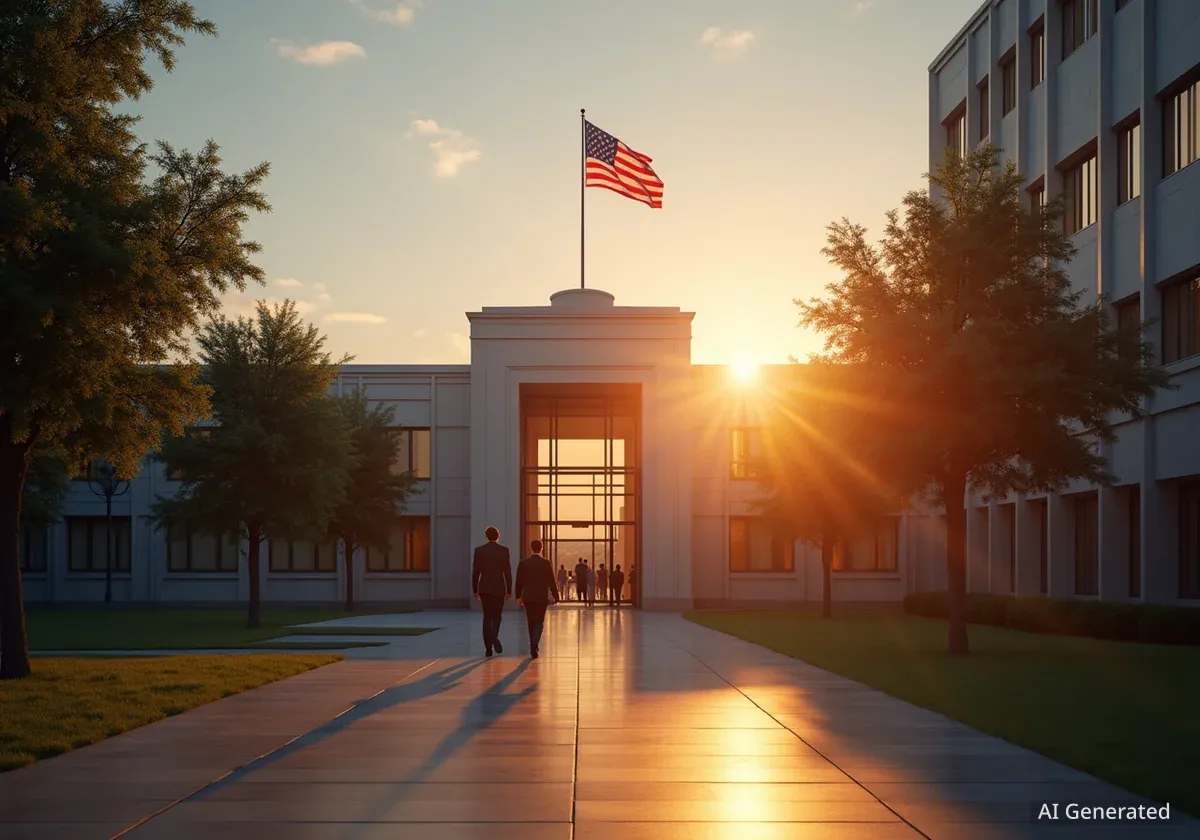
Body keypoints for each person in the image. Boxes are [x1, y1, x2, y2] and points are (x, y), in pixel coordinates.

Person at [515, 539, 560, 659]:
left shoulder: (524, 563)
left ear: (531, 548)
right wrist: (556, 595)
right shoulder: (546, 563)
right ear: (541, 548)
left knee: (531, 622)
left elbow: (519, 581)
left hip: (528, 597)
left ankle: (532, 645)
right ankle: (535, 643)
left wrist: (518, 596)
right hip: (541, 597)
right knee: (539, 621)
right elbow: (552, 581)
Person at [471, 526, 511, 657]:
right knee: (497, 616)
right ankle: (494, 637)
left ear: (486, 536)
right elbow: (507, 572)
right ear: (498, 536)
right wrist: (509, 590)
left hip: (484, 588)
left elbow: (476, 572)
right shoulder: (504, 551)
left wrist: (475, 589)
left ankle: (488, 648)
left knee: (487, 617)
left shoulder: (479, 551)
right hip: (499, 587)